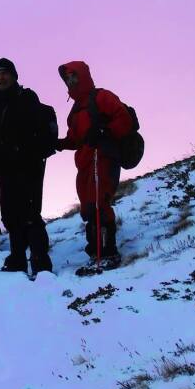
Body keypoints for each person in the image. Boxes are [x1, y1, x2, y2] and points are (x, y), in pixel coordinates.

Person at [56, 61, 133, 267]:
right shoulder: (75, 110)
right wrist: (60, 144)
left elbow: (124, 119)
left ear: (83, 76)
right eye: (68, 79)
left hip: (104, 157)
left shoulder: (102, 97)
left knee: (100, 202)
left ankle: (108, 252)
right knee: (89, 207)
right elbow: (76, 139)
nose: (71, 81)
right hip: (84, 162)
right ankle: (96, 252)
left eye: (74, 76)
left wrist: (105, 132)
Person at [0, 58, 53, 275]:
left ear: (14, 75)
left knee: (30, 214)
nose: (1, 78)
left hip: (28, 165)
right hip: (6, 168)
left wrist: (23, 150)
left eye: (5, 73)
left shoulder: (27, 97)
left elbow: (31, 129)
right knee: (11, 215)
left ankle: (41, 263)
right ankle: (17, 259)